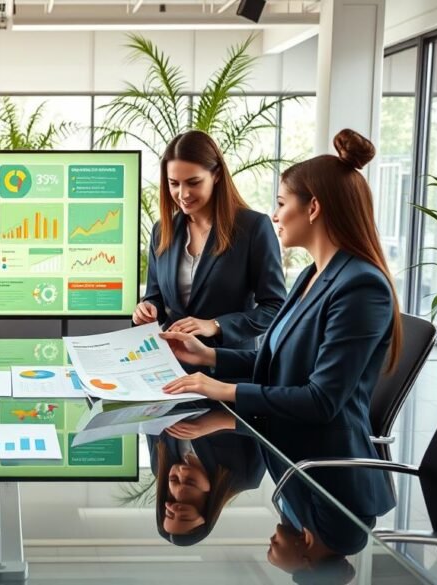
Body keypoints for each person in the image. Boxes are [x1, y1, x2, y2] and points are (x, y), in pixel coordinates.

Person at [160, 129, 402, 521]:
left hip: (331, 483)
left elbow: (321, 401)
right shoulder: (312, 275)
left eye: (282, 202)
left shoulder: (361, 285)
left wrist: (222, 388)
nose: (274, 215)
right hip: (292, 457)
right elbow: (279, 368)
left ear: (314, 208)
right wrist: (209, 356)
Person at [133, 130, 285, 355]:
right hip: (173, 366)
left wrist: (215, 325)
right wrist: (147, 310)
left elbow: (275, 307)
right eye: (174, 183)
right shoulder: (162, 231)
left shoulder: (253, 228)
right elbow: (156, 297)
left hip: (229, 369)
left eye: (193, 182)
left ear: (216, 175)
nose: (183, 194)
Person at [149, 411, 266, 545]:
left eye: (170, 510)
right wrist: (217, 422)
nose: (180, 492)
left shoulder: (158, 466)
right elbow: (268, 422)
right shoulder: (245, 476)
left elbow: (149, 415)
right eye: (186, 511)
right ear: (206, 512)